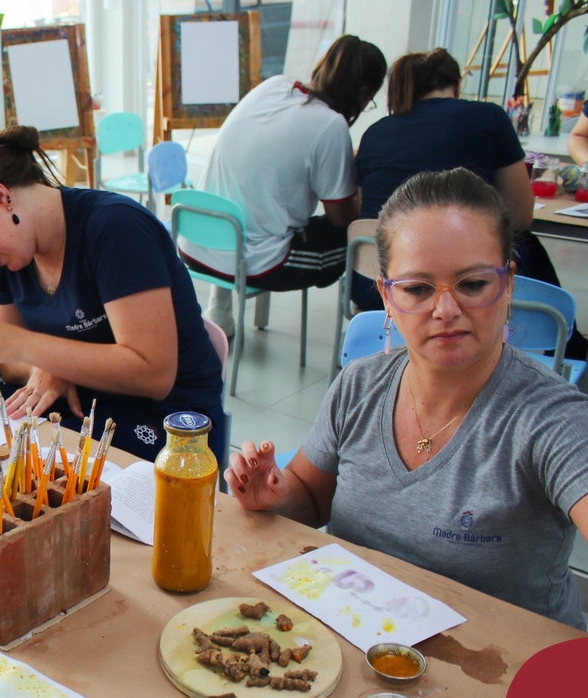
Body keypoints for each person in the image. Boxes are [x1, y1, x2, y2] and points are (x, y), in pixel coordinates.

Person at [225, 169, 588, 630]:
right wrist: (273, 494)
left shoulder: (550, 419)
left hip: (503, 665)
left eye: (473, 284)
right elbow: (313, 497)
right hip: (359, 636)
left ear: (508, 283)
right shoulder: (361, 385)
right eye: (417, 289)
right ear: (387, 296)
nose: (446, 310)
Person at [0, 127, 226, 464]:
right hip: (78, 406)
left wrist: (37, 351)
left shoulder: (117, 228)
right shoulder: (11, 253)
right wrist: (48, 367)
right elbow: (10, 364)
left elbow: (154, 373)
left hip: (167, 420)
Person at [355, 49, 587, 357]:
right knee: (524, 246)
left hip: (369, 279)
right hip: (411, 284)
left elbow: (362, 207)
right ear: (456, 86)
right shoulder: (488, 117)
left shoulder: (374, 133)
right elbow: (521, 216)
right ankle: (568, 349)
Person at [180, 35, 387, 337]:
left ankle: (219, 308)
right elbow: (341, 217)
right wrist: (358, 186)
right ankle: (371, 332)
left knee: (250, 205)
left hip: (196, 240)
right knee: (357, 239)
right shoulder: (331, 125)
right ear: (364, 92)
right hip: (257, 263)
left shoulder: (273, 86)